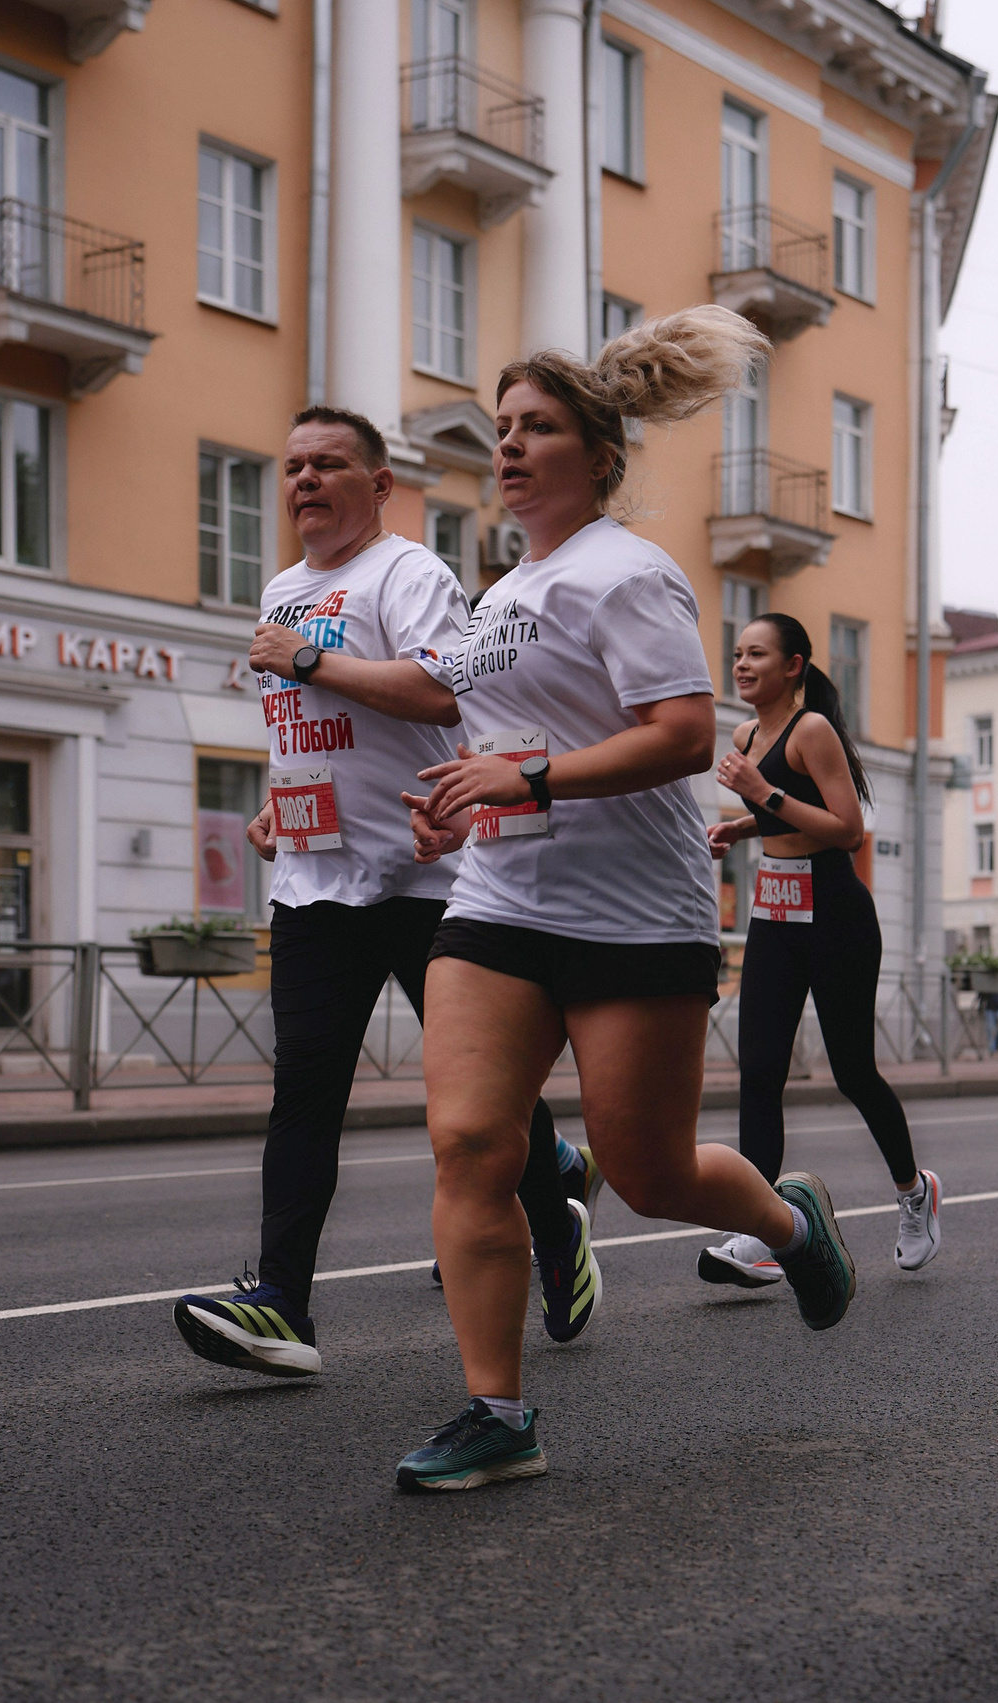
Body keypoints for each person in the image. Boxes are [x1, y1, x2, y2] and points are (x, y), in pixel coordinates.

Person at [391, 306, 858, 1492]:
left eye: (534, 427)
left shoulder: (630, 571)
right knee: (468, 1143)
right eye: (499, 427)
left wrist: (529, 772)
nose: (506, 447)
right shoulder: (500, 595)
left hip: (635, 913)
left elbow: (684, 735)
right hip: (499, 900)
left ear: (597, 457)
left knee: (647, 1174)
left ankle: (791, 1221)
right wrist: (456, 798)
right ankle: (497, 1411)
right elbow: (497, 739)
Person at [169, 406, 595, 1380]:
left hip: (433, 880)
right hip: (318, 885)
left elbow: (452, 692)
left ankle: (555, 1195)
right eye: (293, 466)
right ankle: (280, 1301)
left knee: (481, 1103)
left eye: (329, 464)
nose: (306, 480)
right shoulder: (282, 587)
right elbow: (308, 729)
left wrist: (311, 656)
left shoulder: (408, 573)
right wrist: (283, 809)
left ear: (378, 485)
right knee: (303, 1097)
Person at [697, 613, 941, 1289]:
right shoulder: (747, 732)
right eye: (738, 653)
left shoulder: (812, 731)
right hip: (775, 913)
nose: (742, 664)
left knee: (853, 1071)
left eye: (758, 654)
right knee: (759, 1073)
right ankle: (760, 1228)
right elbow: (781, 815)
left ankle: (915, 1193)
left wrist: (760, 793)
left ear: (793, 666)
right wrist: (743, 827)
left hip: (834, 913)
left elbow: (846, 828)